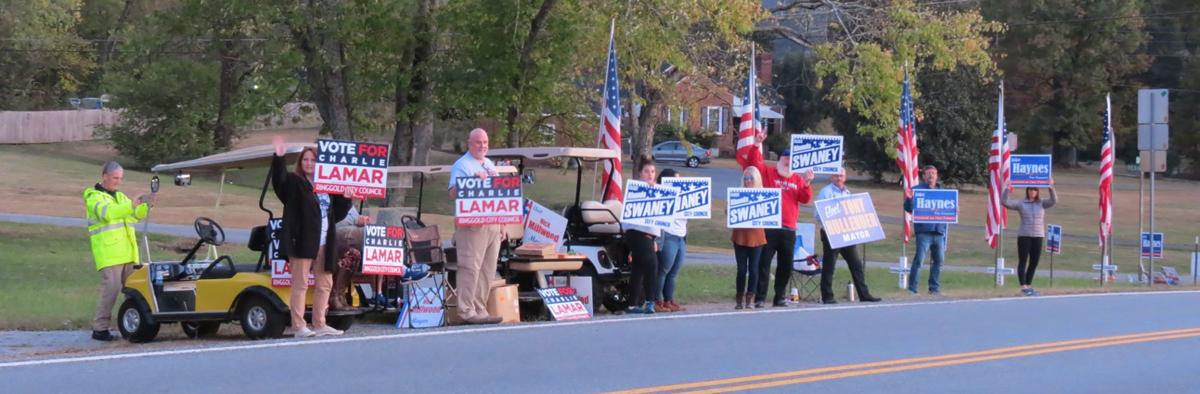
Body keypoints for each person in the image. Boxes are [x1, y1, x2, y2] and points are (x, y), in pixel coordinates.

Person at [271, 137, 358, 337]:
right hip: (302, 241)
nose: (309, 163)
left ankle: (320, 323)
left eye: (313, 160)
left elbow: (338, 213)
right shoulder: (294, 182)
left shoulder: (328, 184)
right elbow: (279, 181)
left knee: (325, 284)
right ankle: (299, 325)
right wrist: (279, 156)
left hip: (325, 242)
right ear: (301, 162)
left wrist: (346, 197)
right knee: (300, 284)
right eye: (305, 160)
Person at [737, 131, 815, 307]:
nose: (787, 162)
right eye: (785, 159)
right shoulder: (769, 173)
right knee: (763, 264)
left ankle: (779, 296)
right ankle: (760, 297)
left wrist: (808, 183)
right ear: (780, 160)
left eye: (791, 160)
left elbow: (805, 199)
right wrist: (757, 145)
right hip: (770, 227)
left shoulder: (797, 178)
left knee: (785, 266)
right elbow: (753, 164)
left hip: (788, 229)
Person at [84, 161, 153, 341]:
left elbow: (134, 216)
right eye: (115, 178)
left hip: (128, 253)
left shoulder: (121, 197)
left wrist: (145, 205)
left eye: (120, 178)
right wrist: (130, 205)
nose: (118, 182)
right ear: (104, 176)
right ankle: (100, 328)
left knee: (135, 289)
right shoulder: (93, 196)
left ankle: (135, 323)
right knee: (111, 290)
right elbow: (107, 214)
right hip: (109, 254)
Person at [448, 128, 504, 325]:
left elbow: (499, 195)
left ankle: (480, 309)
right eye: (479, 142)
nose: (483, 146)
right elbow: (452, 193)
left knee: (488, 269)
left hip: (492, 224)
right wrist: (471, 182)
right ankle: (466, 310)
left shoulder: (489, 164)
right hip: (471, 225)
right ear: (469, 144)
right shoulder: (462, 165)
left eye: (486, 142)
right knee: (470, 267)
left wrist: (502, 222)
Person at [815, 168, 881, 304]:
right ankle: (827, 296)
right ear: (831, 177)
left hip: (847, 233)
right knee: (829, 265)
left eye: (841, 175)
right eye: (836, 175)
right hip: (831, 233)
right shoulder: (825, 192)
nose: (839, 178)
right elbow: (817, 214)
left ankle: (864, 294)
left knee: (856, 264)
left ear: (845, 177)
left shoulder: (847, 192)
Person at [1002, 178, 1058, 296]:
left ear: (1037, 192)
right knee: (1023, 261)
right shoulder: (1021, 203)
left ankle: (1028, 284)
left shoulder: (1042, 203)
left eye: (1034, 190)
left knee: (1034, 261)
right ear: (1027, 191)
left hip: (1038, 235)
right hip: (1024, 235)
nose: (1032, 192)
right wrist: (1007, 188)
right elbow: (1005, 202)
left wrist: (1051, 187)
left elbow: (1054, 201)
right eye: (1030, 190)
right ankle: (1023, 286)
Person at [903, 165, 948, 295]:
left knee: (939, 261)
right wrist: (909, 199)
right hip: (924, 232)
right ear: (923, 176)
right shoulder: (917, 190)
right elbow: (908, 208)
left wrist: (954, 210)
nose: (931, 176)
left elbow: (948, 208)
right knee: (919, 261)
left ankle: (934, 288)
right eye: (928, 173)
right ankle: (912, 288)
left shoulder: (942, 191)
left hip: (939, 231)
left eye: (933, 173)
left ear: (937, 175)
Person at [624, 156, 661, 314]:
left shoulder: (659, 191)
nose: (650, 174)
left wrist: (654, 238)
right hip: (636, 233)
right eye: (646, 171)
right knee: (652, 266)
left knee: (638, 269)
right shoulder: (636, 189)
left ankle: (632, 304)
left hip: (648, 235)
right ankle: (650, 301)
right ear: (640, 174)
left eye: (652, 171)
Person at [731, 166, 767, 309]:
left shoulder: (764, 194)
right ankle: (739, 297)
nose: (748, 181)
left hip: (757, 237)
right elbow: (730, 213)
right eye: (745, 178)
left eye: (751, 178)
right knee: (741, 269)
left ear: (756, 179)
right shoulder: (737, 194)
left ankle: (750, 298)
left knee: (754, 269)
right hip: (740, 235)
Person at [655, 168, 687, 313]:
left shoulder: (684, 198)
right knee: (663, 270)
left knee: (674, 271)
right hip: (668, 235)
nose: (678, 183)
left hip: (681, 236)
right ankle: (657, 300)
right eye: (675, 180)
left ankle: (668, 300)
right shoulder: (661, 196)